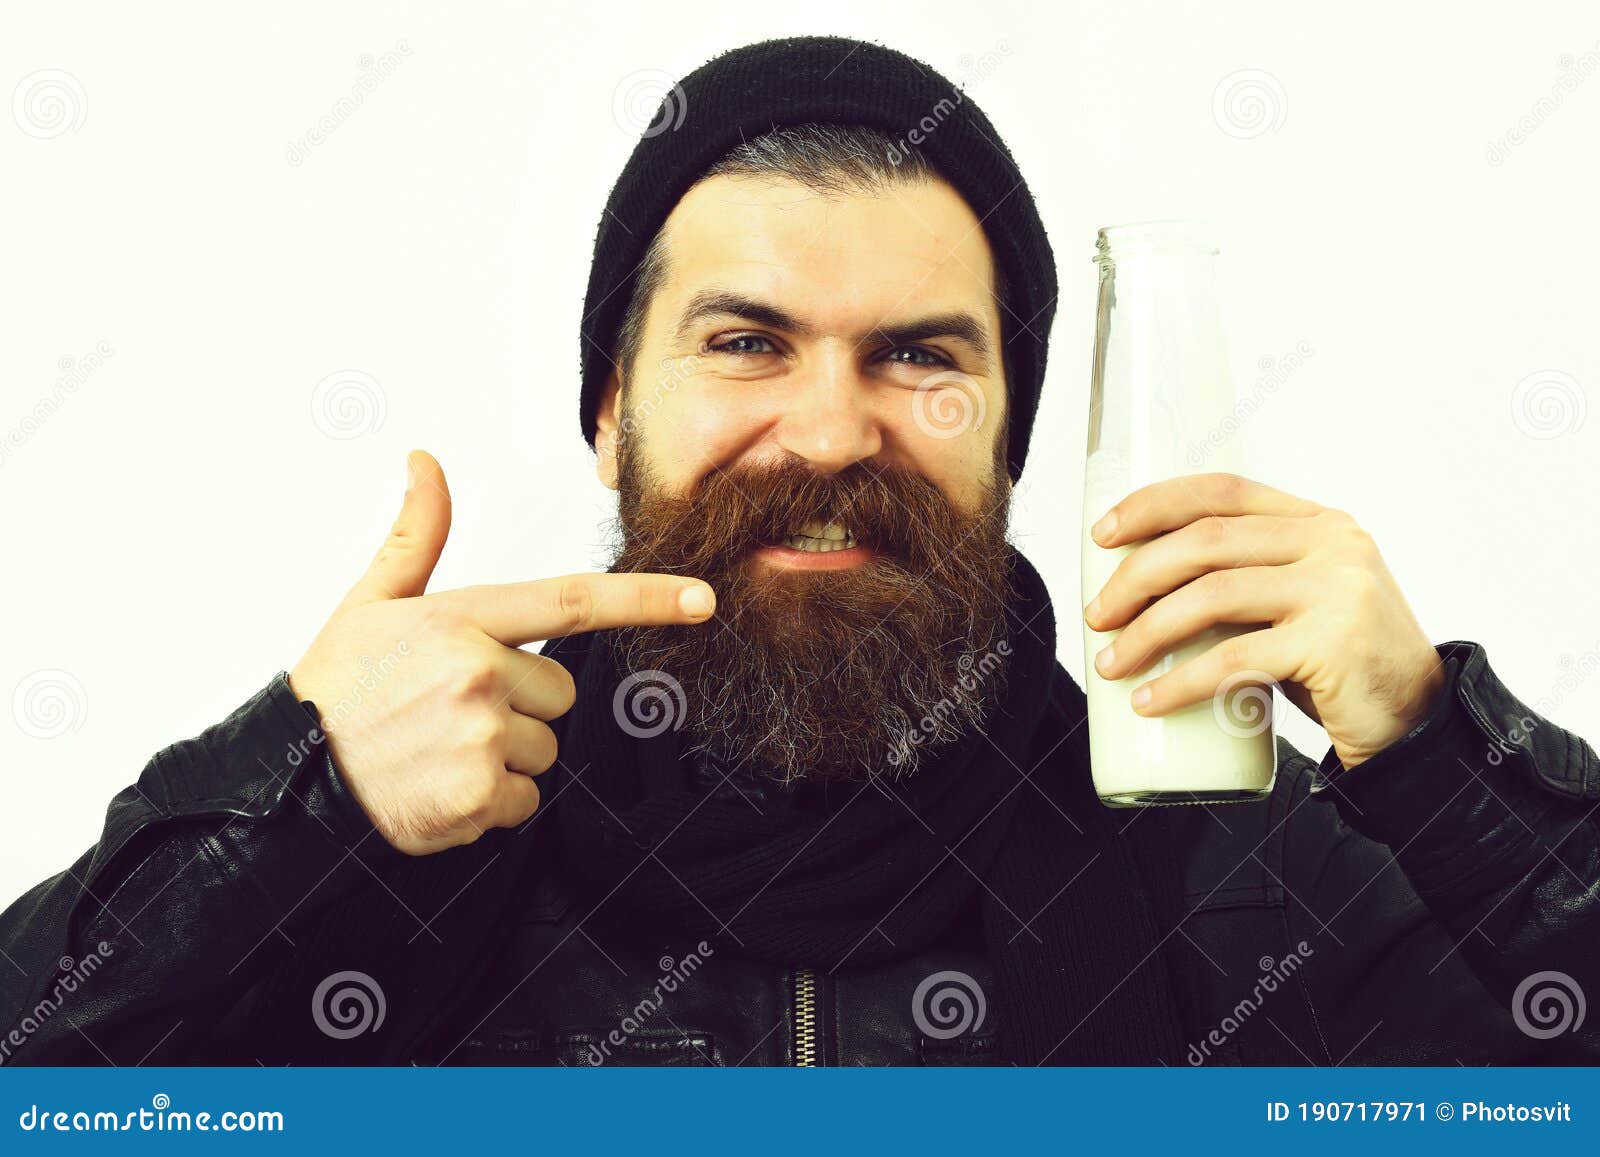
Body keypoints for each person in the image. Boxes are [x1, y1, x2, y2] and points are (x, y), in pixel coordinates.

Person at [2, 35, 1596, 1067]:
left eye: (917, 356)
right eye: (749, 341)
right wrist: (296, 799)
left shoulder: (1227, 853)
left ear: (1012, 434)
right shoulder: (390, 845)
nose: (832, 433)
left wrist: (1441, 761)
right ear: (613, 406)